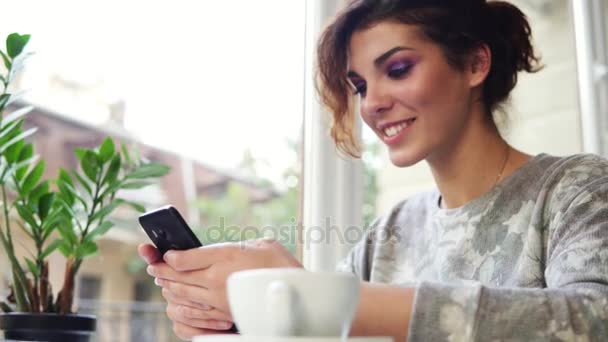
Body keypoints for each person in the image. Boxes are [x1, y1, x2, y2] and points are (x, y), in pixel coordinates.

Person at [138, 0, 608, 341]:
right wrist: (242, 320)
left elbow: (593, 321)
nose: (373, 103)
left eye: (398, 69)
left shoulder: (577, 189)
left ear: (475, 64)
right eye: (360, 85)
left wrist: (312, 298)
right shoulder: (389, 234)